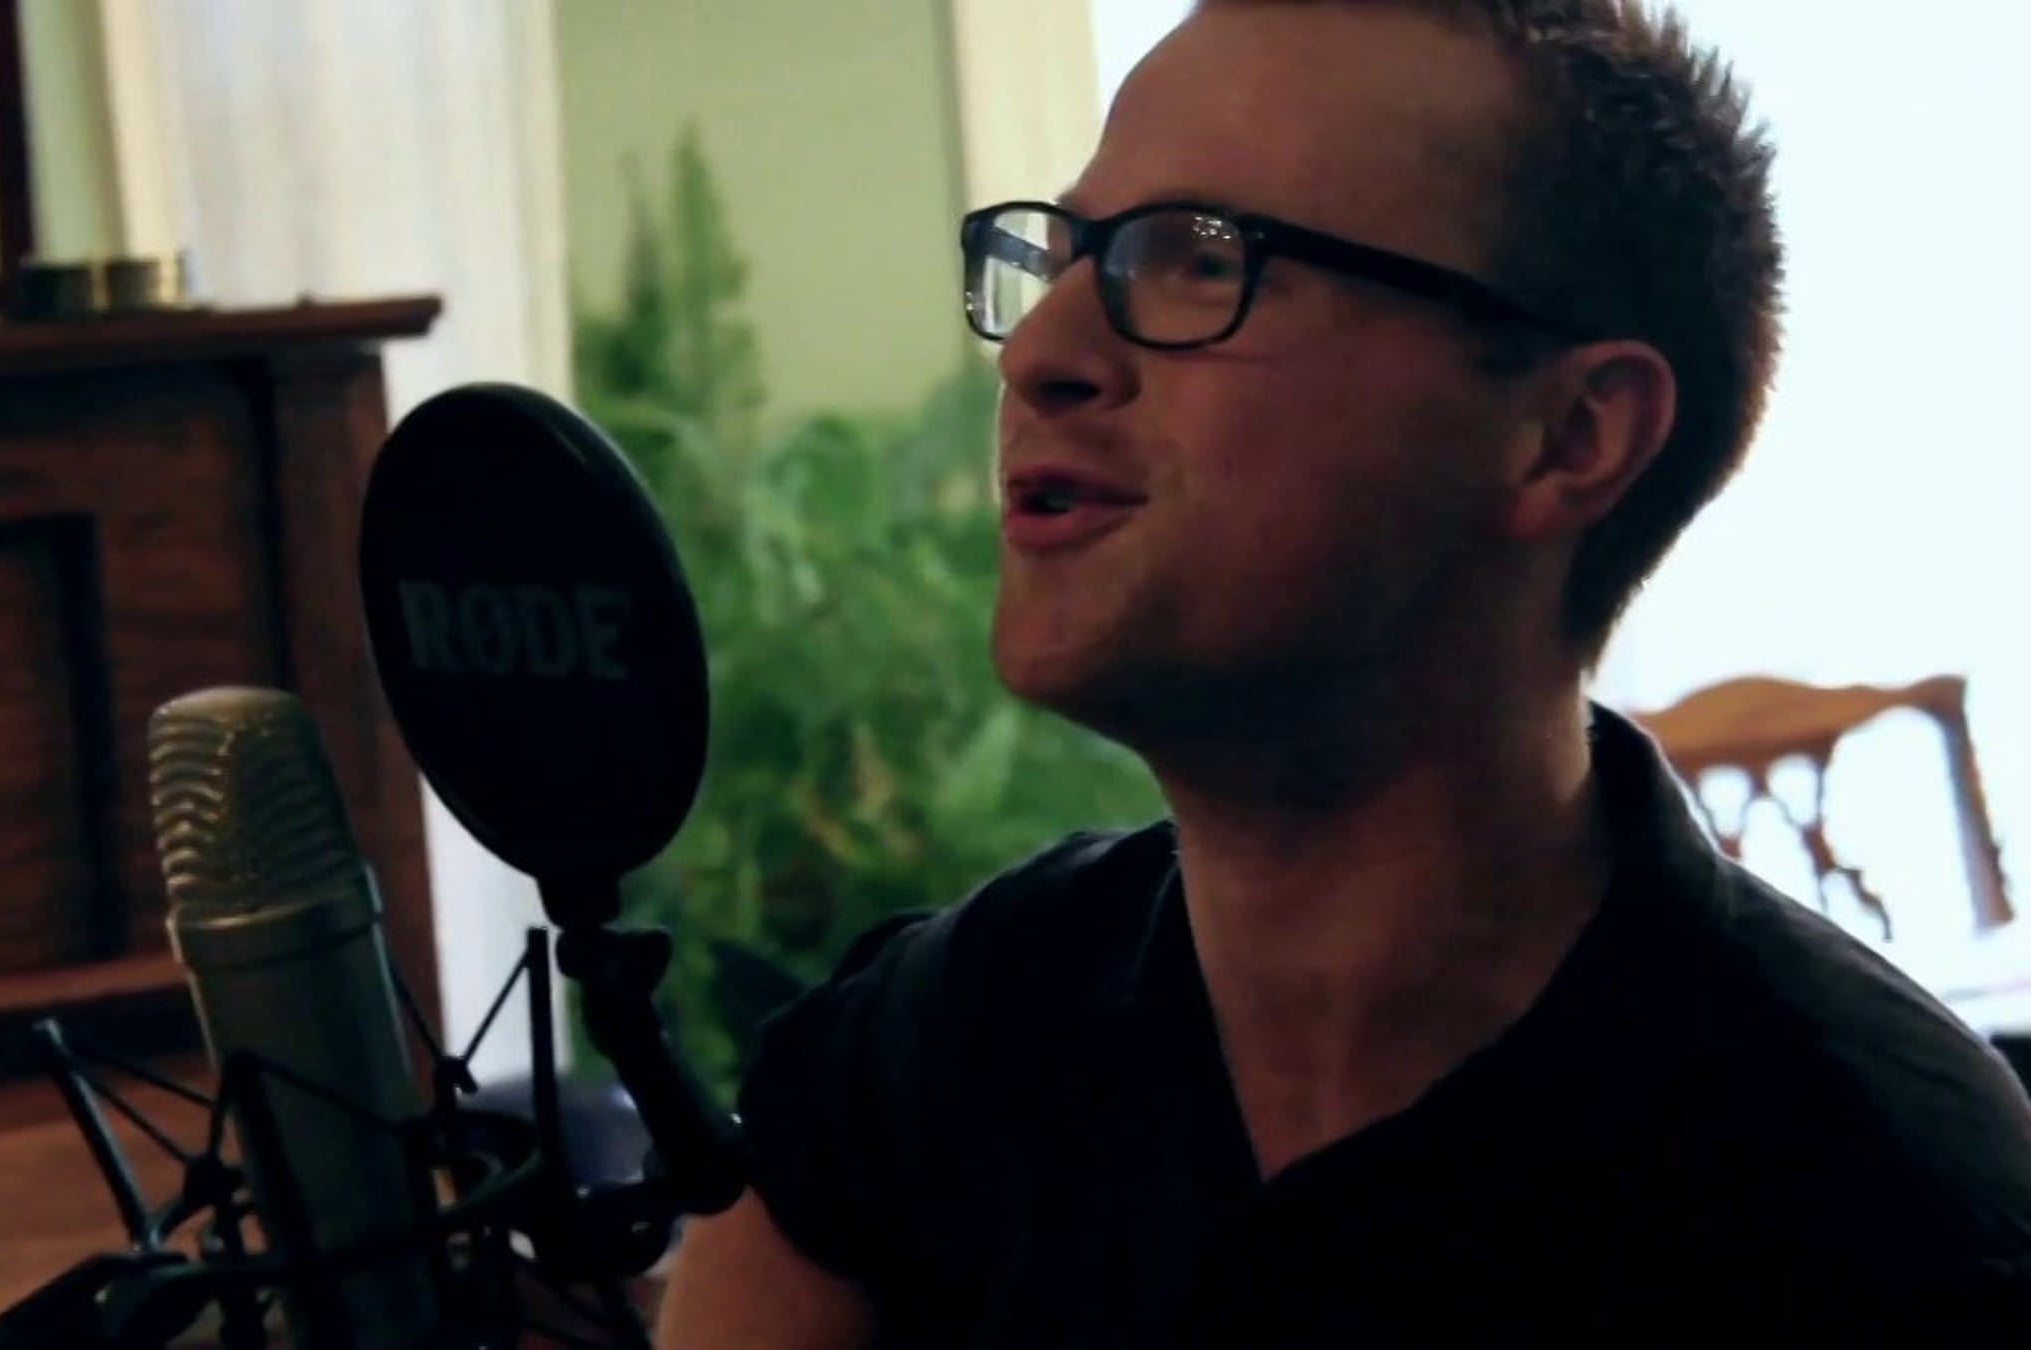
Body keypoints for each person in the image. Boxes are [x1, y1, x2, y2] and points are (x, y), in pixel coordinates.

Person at [656, 1, 2031, 1345]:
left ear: (1569, 436)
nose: (1043, 354)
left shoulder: (1884, 1216)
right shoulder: (958, 1037)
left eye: (1202, 260)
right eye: (1067, 257)